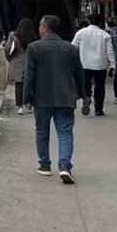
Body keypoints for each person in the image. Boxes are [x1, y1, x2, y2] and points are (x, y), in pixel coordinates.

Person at [24, 15, 84, 184]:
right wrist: (83, 94)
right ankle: (64, 165)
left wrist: (27, 97)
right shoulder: (71, 49)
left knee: (42, 132)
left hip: (41, 98)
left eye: (40, 26)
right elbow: (79, 74)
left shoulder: (34, 48)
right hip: (66, 97)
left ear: (44, 27)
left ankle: (44, 165)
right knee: (65, 132)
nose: (39, 29)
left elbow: (29, 76)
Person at [71, 12, 115, 117]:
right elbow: (110, 52)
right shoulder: (105, 35)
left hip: (84, 63)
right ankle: (98, 109)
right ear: (100, 22)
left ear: (89, 21)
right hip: (100, 64)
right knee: (100, 86)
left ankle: (87, 97)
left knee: (86, 84)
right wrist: (113, 65)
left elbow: (73, 48)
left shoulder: (80, 33)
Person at [6, 18, 38, 115]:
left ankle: (20, 107)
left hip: (17, 62)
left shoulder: (13, 35)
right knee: (30, 84)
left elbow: (7, 48)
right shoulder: (33, 36)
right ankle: (29, 104)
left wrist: (10, 59)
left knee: (19, 85)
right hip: (30, 61)